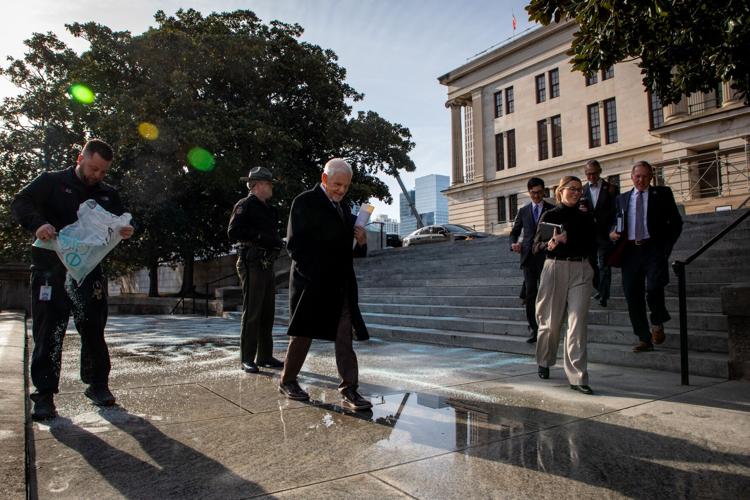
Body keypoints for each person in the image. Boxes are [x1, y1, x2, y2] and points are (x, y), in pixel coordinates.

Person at [11, 139, 135, 420]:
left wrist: (125, 230)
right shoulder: (51, 182)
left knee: (93, 327)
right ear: (80, 158)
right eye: (93, 169)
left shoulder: (107, 194)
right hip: (50, 269)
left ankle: (97, 384)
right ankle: (43, 395)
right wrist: (38, 224)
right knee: (49, 330)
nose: (97, 176)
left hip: (88, 271)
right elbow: (20, 202)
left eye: (103, 172)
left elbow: (119, 221)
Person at [278, 158, 372, 411]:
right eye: (337, 185)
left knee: (344, 337)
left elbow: (350, 251)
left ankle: (349, 389)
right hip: (312, 282)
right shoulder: (304, 202)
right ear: (324, 179)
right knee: (302, 335)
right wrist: (316, 275)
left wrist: (361, 241)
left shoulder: (344, 209)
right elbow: (294, 245)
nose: (341, 190)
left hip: (340, 284)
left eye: (345, 186)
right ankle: (288, 381)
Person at [533, 176, 597, 395]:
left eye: (579, 190)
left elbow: (593, 243)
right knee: (550, 323)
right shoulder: (550, 215)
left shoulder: (586, 216)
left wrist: (568, 238)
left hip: (581, 270)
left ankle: (578, 376)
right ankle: (544, 360)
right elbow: (536, 246)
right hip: (555, 268)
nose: (577, 193)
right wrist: (549, 244)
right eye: (572, 189)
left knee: (577, 323)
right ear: (561, 191)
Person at [610, 161, 683, 353]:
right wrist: (613, 233)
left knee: (654, 287)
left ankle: (657, 321)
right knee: (632, 295)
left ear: (651, 177)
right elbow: (616, 222)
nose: (641, 180)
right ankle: (644, 338)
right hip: (630, 252)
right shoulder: (622, 199)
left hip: (653, 249)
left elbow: (676, 222)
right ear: (632, 177)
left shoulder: (662, 194)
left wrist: (665, 248)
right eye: (637, 176)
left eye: (645, 176)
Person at [227, 166, 285, 374]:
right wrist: (262, 239)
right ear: (258, 185)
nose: (271, 188)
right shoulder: (245, 205)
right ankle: (247, 358)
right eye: (269, 184)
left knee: (267, 311)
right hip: (251, 261)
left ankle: (265, 356)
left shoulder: (268, 209)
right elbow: (233, 232)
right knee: (252, 311)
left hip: (266, 263)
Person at [510, 177, 554, 343]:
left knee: (547, 293)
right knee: (530, 294)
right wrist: (514, 243)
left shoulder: (551, 209)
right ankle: (534, 329)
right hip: (528, 257)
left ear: (544, 191)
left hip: (547, 256)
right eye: (533, 193)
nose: (536, 196)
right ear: (529, 193)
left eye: (539, 192)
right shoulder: (524, 210)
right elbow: (514, 232)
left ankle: (547, 326)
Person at [582, 159, 619, 307]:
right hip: (589, 235)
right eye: (588, 174)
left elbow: (617, 211)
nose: (591, 177)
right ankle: (599, 287)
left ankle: (604, 294)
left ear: (600, 172)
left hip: (605, 233)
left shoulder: (610, 188)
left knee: (604, 264)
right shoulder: (582, 190)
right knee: (591, 265)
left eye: (593, 173)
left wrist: (614, 229)